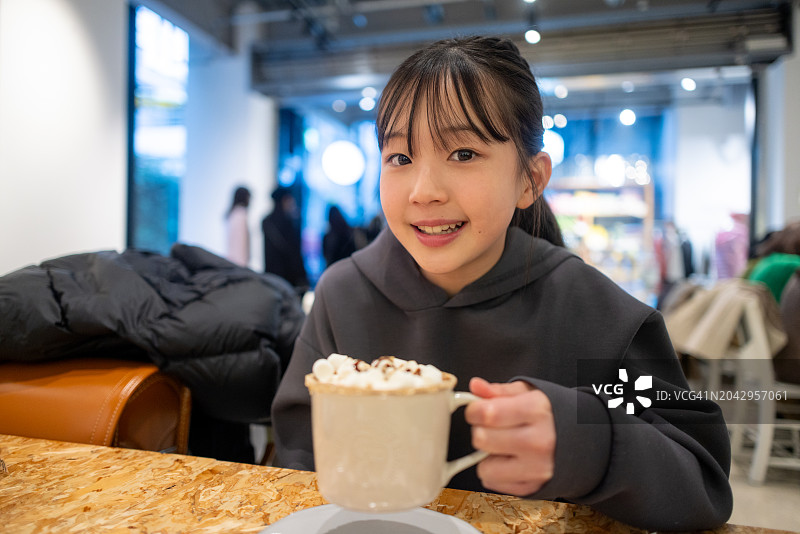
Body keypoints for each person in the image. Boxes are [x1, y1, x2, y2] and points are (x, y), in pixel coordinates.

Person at [271, 36, 732, 531]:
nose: (424, 191)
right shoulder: (344, 295)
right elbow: (296, 458)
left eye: (464, 153)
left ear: (530, 180)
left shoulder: (596, 316)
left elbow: (702, 485)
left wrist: (591, 443)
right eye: (400, 158)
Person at [262, 186, 308, 289]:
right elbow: (294, 252)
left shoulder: (266, 221)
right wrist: (302, 276)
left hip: (272, 276)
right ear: (284, 200)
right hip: (289, 276)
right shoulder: (288, 222)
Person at [225, 186, 251, 267]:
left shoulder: (232, 214)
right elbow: (241, 242)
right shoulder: (241, 214)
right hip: (240, 262)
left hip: (232, 259)